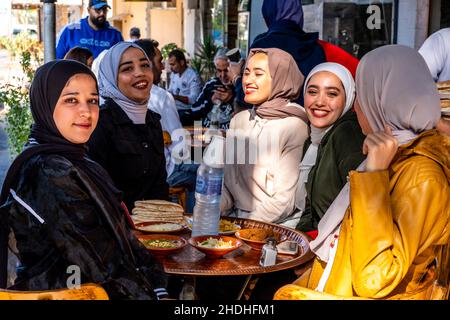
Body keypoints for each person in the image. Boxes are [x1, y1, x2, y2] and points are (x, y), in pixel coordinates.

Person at [274, 45, 449, 300]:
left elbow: (374, 279)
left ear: (383, 99)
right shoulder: (394, 156)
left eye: (362, 92)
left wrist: (373, 178)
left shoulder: (421, 175)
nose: (356, 106)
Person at [0, 60, 168, 299]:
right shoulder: (47, 171)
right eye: (71, 100)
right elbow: (94, 259)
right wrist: (150, 292)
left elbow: (119, 237)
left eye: (92, 100)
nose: (86, 111)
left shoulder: (76, 160)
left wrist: (154, 281)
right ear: (45, 104)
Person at [221, 48, 309, 226]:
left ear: (279, 79)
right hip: (234, 221)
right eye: (246, 73)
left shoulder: (294, 126)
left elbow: (284, 201)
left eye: (258, 74)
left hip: (275, 226)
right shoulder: (239, 121)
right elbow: (228, 183)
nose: (248, 80)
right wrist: (211, 212)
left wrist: (243, 226)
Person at [87, 42, 169, 210]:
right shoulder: (100, 123)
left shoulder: (153, 121)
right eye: (127, 69)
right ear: (111, 78)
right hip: (113, 229)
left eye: (145, 65)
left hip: (152, 229)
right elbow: (96, 195)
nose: (140, 73)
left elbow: (159, 189)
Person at [294, 63, 365, 234]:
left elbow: (361, 211)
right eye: (312, 92)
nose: (319, 101)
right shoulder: (313, 140)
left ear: (348, 98)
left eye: (332, 94)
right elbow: (312, 211)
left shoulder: (347, 135)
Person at [250, 0, 359, 106]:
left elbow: (246, 95)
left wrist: (236, 77)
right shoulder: (317, 47)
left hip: (269, 120)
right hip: (310, 119)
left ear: (268, 13)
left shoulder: (261, 46)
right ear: (298, 13)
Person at [182, 54, 235, 129]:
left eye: (226, 70)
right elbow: (194, 110)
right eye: (219, 70)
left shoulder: (239, 86)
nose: (222, 75)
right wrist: (211, 101)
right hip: (206, 132)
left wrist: (232, 98)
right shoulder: (211, 84)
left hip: (228, 135)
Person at [56, 0, 123, 59]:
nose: (102, 13)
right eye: (98, 9)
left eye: (104, 9)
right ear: (88, 10)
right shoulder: (71, 30)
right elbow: (57, 58)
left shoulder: (115, 34)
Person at [167, 49, 202, 122]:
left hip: (188, 111)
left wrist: (176, 97)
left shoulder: (193, 75)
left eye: (173, 64)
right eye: (170, 64)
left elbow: (194, 99)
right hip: (175, 109)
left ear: (182, 62)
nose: (171, 68)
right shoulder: (174, 74)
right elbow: (170, 90)